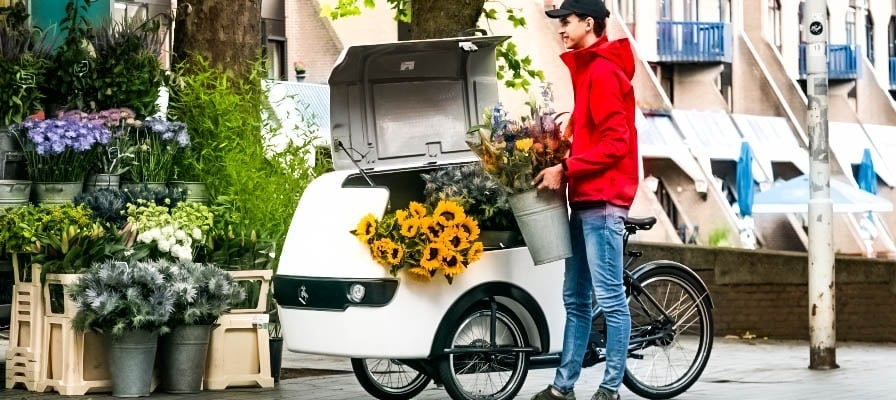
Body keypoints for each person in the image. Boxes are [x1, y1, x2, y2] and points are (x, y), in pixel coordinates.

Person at [532, 1, 639, 399]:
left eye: (566, 21)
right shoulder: (590, 67)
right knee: (575, 299)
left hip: (605, 201)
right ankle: (564, 388)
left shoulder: (604, 72)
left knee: (610, 301)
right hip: (585, 200)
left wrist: (567, 168)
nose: (560, 29)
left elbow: (617, 143)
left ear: (588, 23)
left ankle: (610, 389)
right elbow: (598, 127)